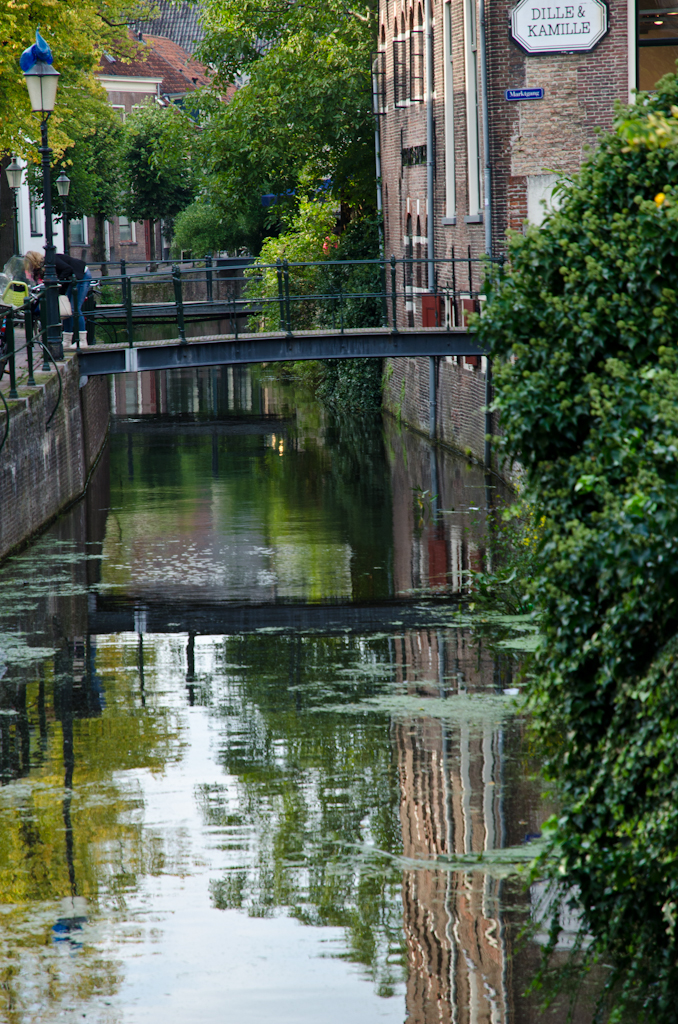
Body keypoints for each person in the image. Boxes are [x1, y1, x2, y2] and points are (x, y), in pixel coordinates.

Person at [24, 250, 92, 345]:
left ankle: (82, 341)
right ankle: (67, 340)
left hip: (81, 276)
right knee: (67, 310)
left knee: (74, 308)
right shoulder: (44, 267)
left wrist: (58, 282)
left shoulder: (51, 260)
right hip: (71, 279)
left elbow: (67, 269)